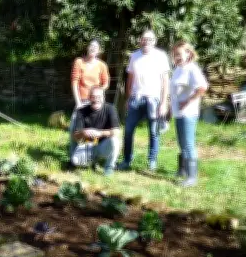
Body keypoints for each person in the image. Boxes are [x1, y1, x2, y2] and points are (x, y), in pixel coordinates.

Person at [118, 30, 171, 172]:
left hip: (154, 99)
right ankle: (127, 160)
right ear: (140, 41)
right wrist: (128, 98)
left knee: (154, 131)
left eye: (150, 39)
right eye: (144, 39)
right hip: (136, 98)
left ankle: (152, 161)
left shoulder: (161, 56)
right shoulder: (134, 56)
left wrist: (164, 102)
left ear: (154, 41)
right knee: (128, 130)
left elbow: (165, 81)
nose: (146, 42)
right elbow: (130, 78)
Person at [170, 41, 209, 187]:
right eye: (175, 54)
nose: (177, 57)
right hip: (178, 113)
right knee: (181, 143)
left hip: (188, 113)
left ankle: (192, 177)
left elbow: (203, 87)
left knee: (188, 144)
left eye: (179, 54)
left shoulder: (192, 69)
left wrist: (188, 101)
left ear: (188, 53)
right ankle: (182, 171)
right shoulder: (178, 69)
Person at [69, 87, 122, 176]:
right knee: (76, 161)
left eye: (99, 97)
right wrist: (83, 132)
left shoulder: (110, 108)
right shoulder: (81, 111)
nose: (96, 99)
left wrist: (100, 133)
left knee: (115, 141)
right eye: (93, 97)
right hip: (88, 143)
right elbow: (75, 136)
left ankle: (109, 167)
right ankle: (92, 161)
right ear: (89, 98)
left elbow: (117, 131)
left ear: (103, 97)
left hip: (104, 144)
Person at [71, 40, 110, 109]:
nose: (93, 48)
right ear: (87, 48)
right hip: (82, 101)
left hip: (97, 101)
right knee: (76, 119)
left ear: (98, 51)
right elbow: (74, 83)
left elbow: (106, 83)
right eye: (91, 46)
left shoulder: (102, 65)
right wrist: (78, 102)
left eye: (95, 47)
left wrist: (97, 92)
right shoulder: (79, 62)